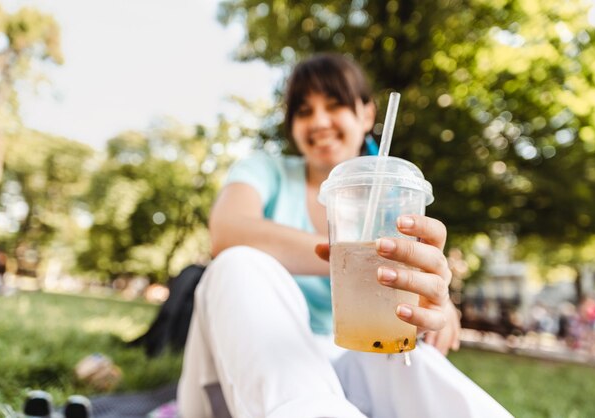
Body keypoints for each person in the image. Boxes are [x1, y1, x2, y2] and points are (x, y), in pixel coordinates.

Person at [178, 53, 512, 418]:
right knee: (239, 262)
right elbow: (227, 232)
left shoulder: (396, 199)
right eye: (304, 111)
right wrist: (355, 262)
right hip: (239, 371)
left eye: (334, 105)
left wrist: (426, 291)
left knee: (422, 374)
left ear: (367, 115)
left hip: (342, 363)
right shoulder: (266, 171)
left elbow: (408, 309)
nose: (318, 121)